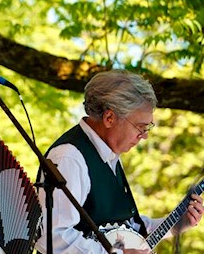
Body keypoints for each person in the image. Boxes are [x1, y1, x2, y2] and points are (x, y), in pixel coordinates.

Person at [35, 70, 204, 254]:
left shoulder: (109, 156)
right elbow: (51, 238)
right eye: (140, 127)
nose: (145, 136)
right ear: (109, 118)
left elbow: (128, 230)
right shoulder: (70, 158)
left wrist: (176, 225)